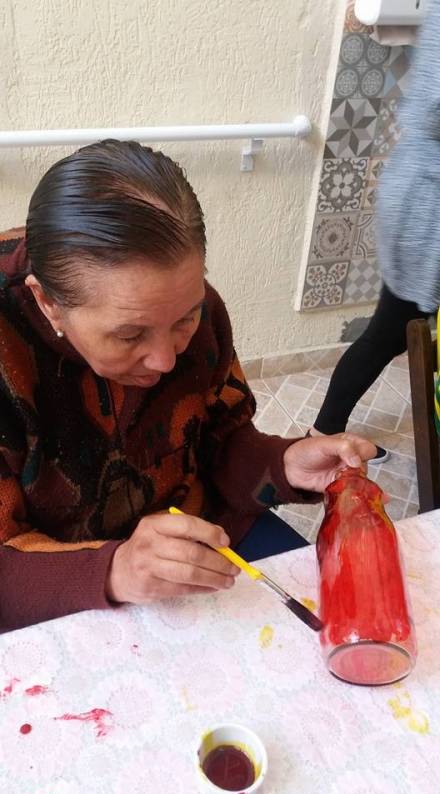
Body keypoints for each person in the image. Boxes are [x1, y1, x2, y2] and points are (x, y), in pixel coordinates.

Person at [0, 140, 375, 633]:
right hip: (51, 578)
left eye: (185, 319)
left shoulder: (193, 307)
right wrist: (116, 569)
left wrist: (282, 463)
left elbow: (218, 439)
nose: (166, 358)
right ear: (47, 303)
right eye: (130, 334)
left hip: (197, 531)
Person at [311, 0, 440, 460]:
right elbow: (431, 107)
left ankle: (324, 431)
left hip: (422, 194)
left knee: (391, 329)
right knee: (390, 330)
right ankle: (324, 434)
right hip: (428, 205)